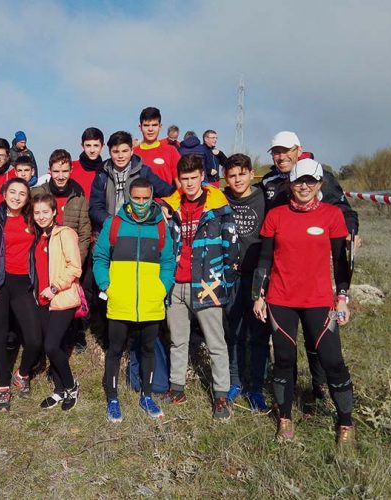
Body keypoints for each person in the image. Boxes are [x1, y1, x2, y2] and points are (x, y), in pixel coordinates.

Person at [253, 159, 355, 444]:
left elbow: (340, 262)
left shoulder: (332, 215)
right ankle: (285, 418)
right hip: (280, 299)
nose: (305, 186)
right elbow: (264, 259)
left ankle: (345, 423)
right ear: (290, 184)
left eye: (311, 181)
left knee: (332, 360)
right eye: (299, 181)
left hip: (320, 301)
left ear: (320, 184)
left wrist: (343, 299)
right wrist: (258, 296)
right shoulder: (276, 215)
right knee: (284, 360)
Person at [161, 154, 239, 420]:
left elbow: (231, 246)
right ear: (178, 180)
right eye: (185, 179)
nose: (190, 183)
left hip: (207, 284)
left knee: (216, 343)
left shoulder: (218, 206)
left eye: (194, 178)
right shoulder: (171, 208)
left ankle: (221, 396)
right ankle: (177, 388)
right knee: (177, 341)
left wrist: (224, 283)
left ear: (202, 177)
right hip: (177, 286)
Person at [93, 178, 175, 423]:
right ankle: (113, 399)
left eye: (145, 198)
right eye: (136, 198)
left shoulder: (161, 226)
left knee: (148, 349)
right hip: (120, 301)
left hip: (151, 302)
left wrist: (162, 288)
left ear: (152, 198)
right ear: (129, 197)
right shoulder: (114, 224)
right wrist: (107, 286)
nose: (140, 203)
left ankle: (147, 396)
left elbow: (168, 261)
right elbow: (100, 258)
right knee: (115, 350)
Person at [0, 177, 39, 411]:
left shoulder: (32, 219)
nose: (16, 197)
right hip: (1, 284)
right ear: (4, 194)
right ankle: (4, 387)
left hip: (24, 284)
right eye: (12, 192)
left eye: (22, 193)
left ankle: (22, 373)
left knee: (35, 340)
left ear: (27, 198)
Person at [221, 154, 270, 413]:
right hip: (231, 275)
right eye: (232, 175)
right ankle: (235, 382)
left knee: (259, 334)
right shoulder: (221, 198)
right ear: (225, 178)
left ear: (252, 173)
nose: (237, 179)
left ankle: (257, 388)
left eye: (242, 173)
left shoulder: (265, 199)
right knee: (233, 332)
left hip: (259, 276)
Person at [30, 193, 82, 411]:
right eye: (36, 212)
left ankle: (71, 386)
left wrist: (54, 288)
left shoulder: (65, 234)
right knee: (53, 346)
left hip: (61, 297)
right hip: (41, 300)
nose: (41, 216)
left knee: (51, 345)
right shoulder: (37, 237)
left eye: (45, 212)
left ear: (54, 212)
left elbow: (75, 267)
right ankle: (59, 390)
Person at [89, 131, 176, 228]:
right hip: (108, 228)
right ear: (110, 152)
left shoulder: (143, 172)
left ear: (132, 151)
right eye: (116, 152)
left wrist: (166, 205)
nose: (120, 156)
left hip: (137, 229)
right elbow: (95, 207)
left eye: (125, 151)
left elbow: (168, 191)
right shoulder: (102, 174)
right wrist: (111, 222)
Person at [30, 149, 91, 262]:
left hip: (68, 259)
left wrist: (75, 263)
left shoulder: (79, 198)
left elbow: (84, 235)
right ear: (50, 171)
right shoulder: (37, 193)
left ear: (71, 170)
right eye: (56, 171)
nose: (61, 176)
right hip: (41, 258)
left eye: (65, 171)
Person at [133, 107, 181, 185]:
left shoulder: (171, 151)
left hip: (165, 197)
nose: (150, 129)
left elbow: (180, 182)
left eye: (154, 125)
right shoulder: (133, 153)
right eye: (146, 125)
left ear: (160, 127)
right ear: (140, 127)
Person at [70, 127, 105, 201]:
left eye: (96, 145)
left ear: (102, 147)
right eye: (88, 145)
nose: (92, 150)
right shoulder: (70, 168)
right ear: (82, 146)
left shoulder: (107, 170)